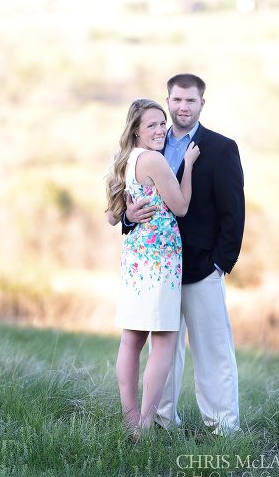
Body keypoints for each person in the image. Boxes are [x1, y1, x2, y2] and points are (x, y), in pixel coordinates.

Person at [124, 74, 245, 435]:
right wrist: (129, 219)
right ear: (168, 100)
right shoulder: (152, 149)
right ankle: (161, 420)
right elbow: (134, 205)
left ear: (201, 104)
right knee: (165, 349)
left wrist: (221, 262)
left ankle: (223, 428)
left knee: (212, 349)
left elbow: (233, 212)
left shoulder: (221, 149)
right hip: (161, 269)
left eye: (190, 101)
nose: (182, 107)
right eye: (176, 100)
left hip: (201, 267)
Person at [105, 98, 199, 436]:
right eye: (152, 125)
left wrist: (128, 215)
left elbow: (110, 215)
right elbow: (182, 206)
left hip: (134, 262)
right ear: (137, 130)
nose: (161, 130)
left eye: (163, 123)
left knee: (131, 339)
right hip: (159, 262)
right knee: (164, 342)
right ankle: (144, 425)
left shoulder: (125, 161)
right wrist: (187, 164)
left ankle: (130, 422)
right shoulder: (154, 160)